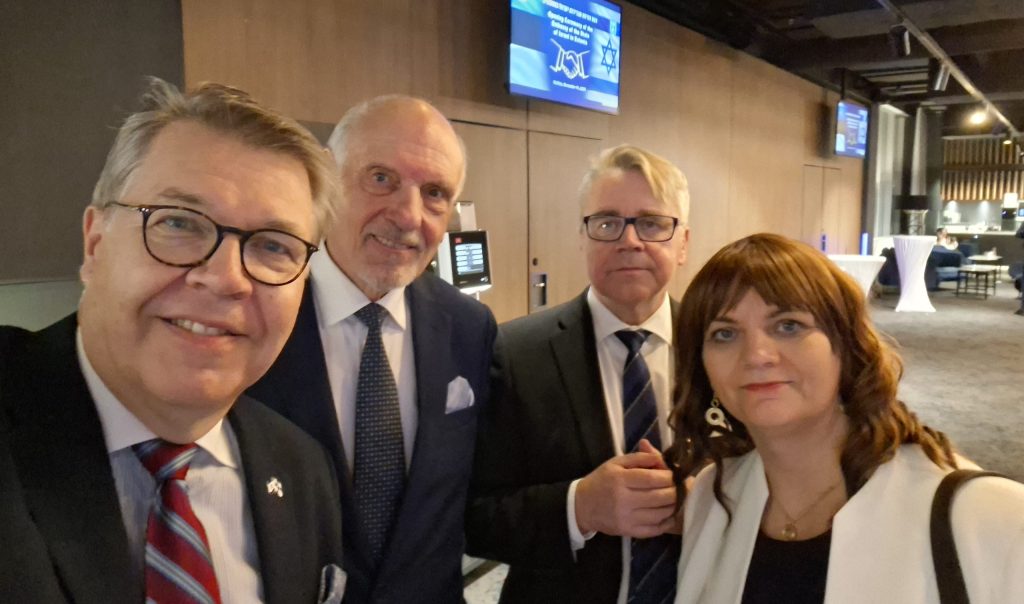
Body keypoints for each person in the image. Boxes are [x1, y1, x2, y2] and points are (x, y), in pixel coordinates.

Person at [0, 78, 345, 604]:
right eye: (179, 223)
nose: (226, 278)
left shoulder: (302, 469)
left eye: (274, 246)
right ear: (94, 244)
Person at [666, 233, 1024, 603]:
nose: (757, 355)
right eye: (724, 334)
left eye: (788, 326)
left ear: (847, 345)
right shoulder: (712, 498)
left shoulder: (990, 517)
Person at [248, 95, 497, 604]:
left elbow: (473, 498)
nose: (407, 215)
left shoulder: (469, 328)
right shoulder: (254, 312)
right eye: (381, 178)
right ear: (325, 177)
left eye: (434, 193)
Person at [466, 145, 689, 603]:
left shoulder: (719, 349)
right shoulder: (514, 353)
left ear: (683, 242)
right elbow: (473, 516)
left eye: (652, 223)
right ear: (582, 238)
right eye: (607, 223)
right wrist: (579, 507)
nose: (630, 241)